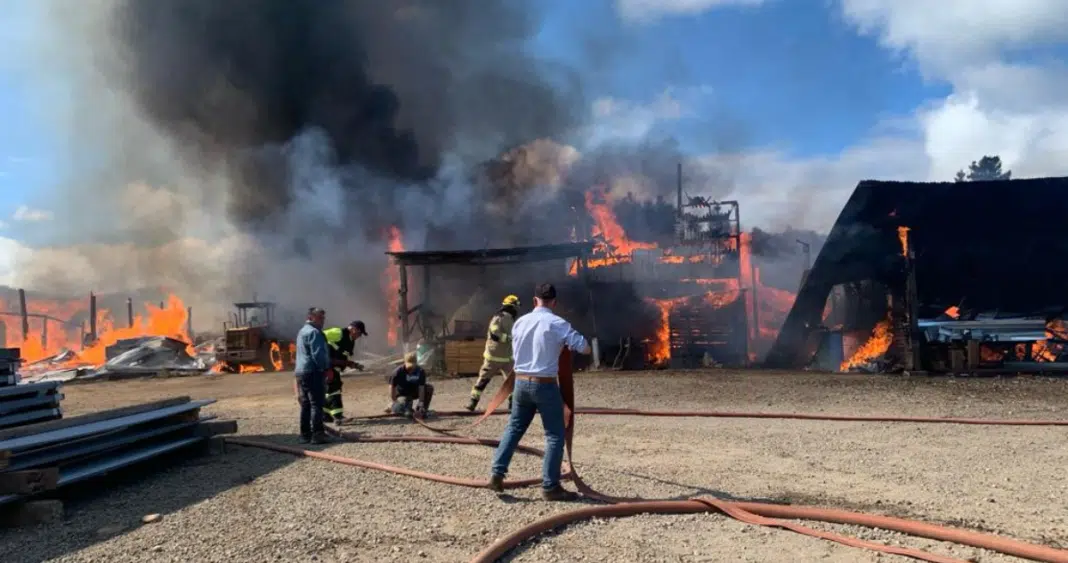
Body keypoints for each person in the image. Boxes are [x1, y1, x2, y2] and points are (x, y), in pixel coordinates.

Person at [489, 283, 590, 501]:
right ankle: (550, 486)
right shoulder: (557, 323)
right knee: (555, 435)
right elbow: (585, 347)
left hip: (521, 384)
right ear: (554, 302)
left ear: (535, 301)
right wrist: (564, 344)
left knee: (514, 428)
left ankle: (497, 473)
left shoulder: (520, 323)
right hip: (545, 384)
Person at [465, 295, 521, 412]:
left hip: (506, 357)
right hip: (494, 357)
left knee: (511, 382)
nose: (516, 311)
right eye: (515, 307)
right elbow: (494, 334)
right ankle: (472, 402)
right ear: (511, 307)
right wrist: (509, 338)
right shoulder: (500, 317)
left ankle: (512, 405)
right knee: (484, 380)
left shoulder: (508, 318)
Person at [294, 307, 332, 444]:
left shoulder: (301, 332)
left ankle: (305, 435)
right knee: (316, 404)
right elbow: (318, 355)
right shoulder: (315, 333)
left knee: (306, 404)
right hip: (313, 372)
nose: (323, 321)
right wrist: (327, 368)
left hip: (301, 372)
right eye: (320, 317)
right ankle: (318, 434)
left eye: (323, 317)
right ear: (311, 317)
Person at [321, 320, 368, 424]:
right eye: (359, 333)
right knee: (334, 389)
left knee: (329, 391)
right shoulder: (339, 332)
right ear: (353, 329)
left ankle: (325, 415)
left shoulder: (350, 340)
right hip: (328, 367)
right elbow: (319, 336)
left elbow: (343, 355)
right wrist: (327, 365)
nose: (359, 336)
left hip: (334, 367)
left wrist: (352, 364)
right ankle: (338, 417)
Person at [388, 352, 434, 417]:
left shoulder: (420, 371)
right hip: (402, 394)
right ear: (404, 362)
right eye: (409, 366)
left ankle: (422, 410)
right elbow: (391, 387)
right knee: (404, 411)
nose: (411, 369)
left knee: (429, 388)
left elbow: (421, 388)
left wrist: (421, 403)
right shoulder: (397, 372)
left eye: (413, 366)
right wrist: (394, 400)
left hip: (414, 392)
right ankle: (392, 406)